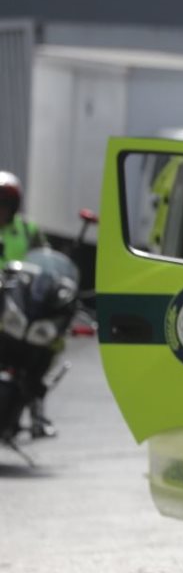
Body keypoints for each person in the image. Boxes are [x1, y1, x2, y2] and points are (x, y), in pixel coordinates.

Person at [0, 171, 54, 437]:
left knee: (42, 345)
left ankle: (37, 412)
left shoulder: (27, 229)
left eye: (4, 203)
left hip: (20, 302)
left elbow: (46, 260)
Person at [0, 171, 45, 264]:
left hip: (19, 278)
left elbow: (44, 258)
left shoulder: (27, 228)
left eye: (5, 202)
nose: (1, 208)